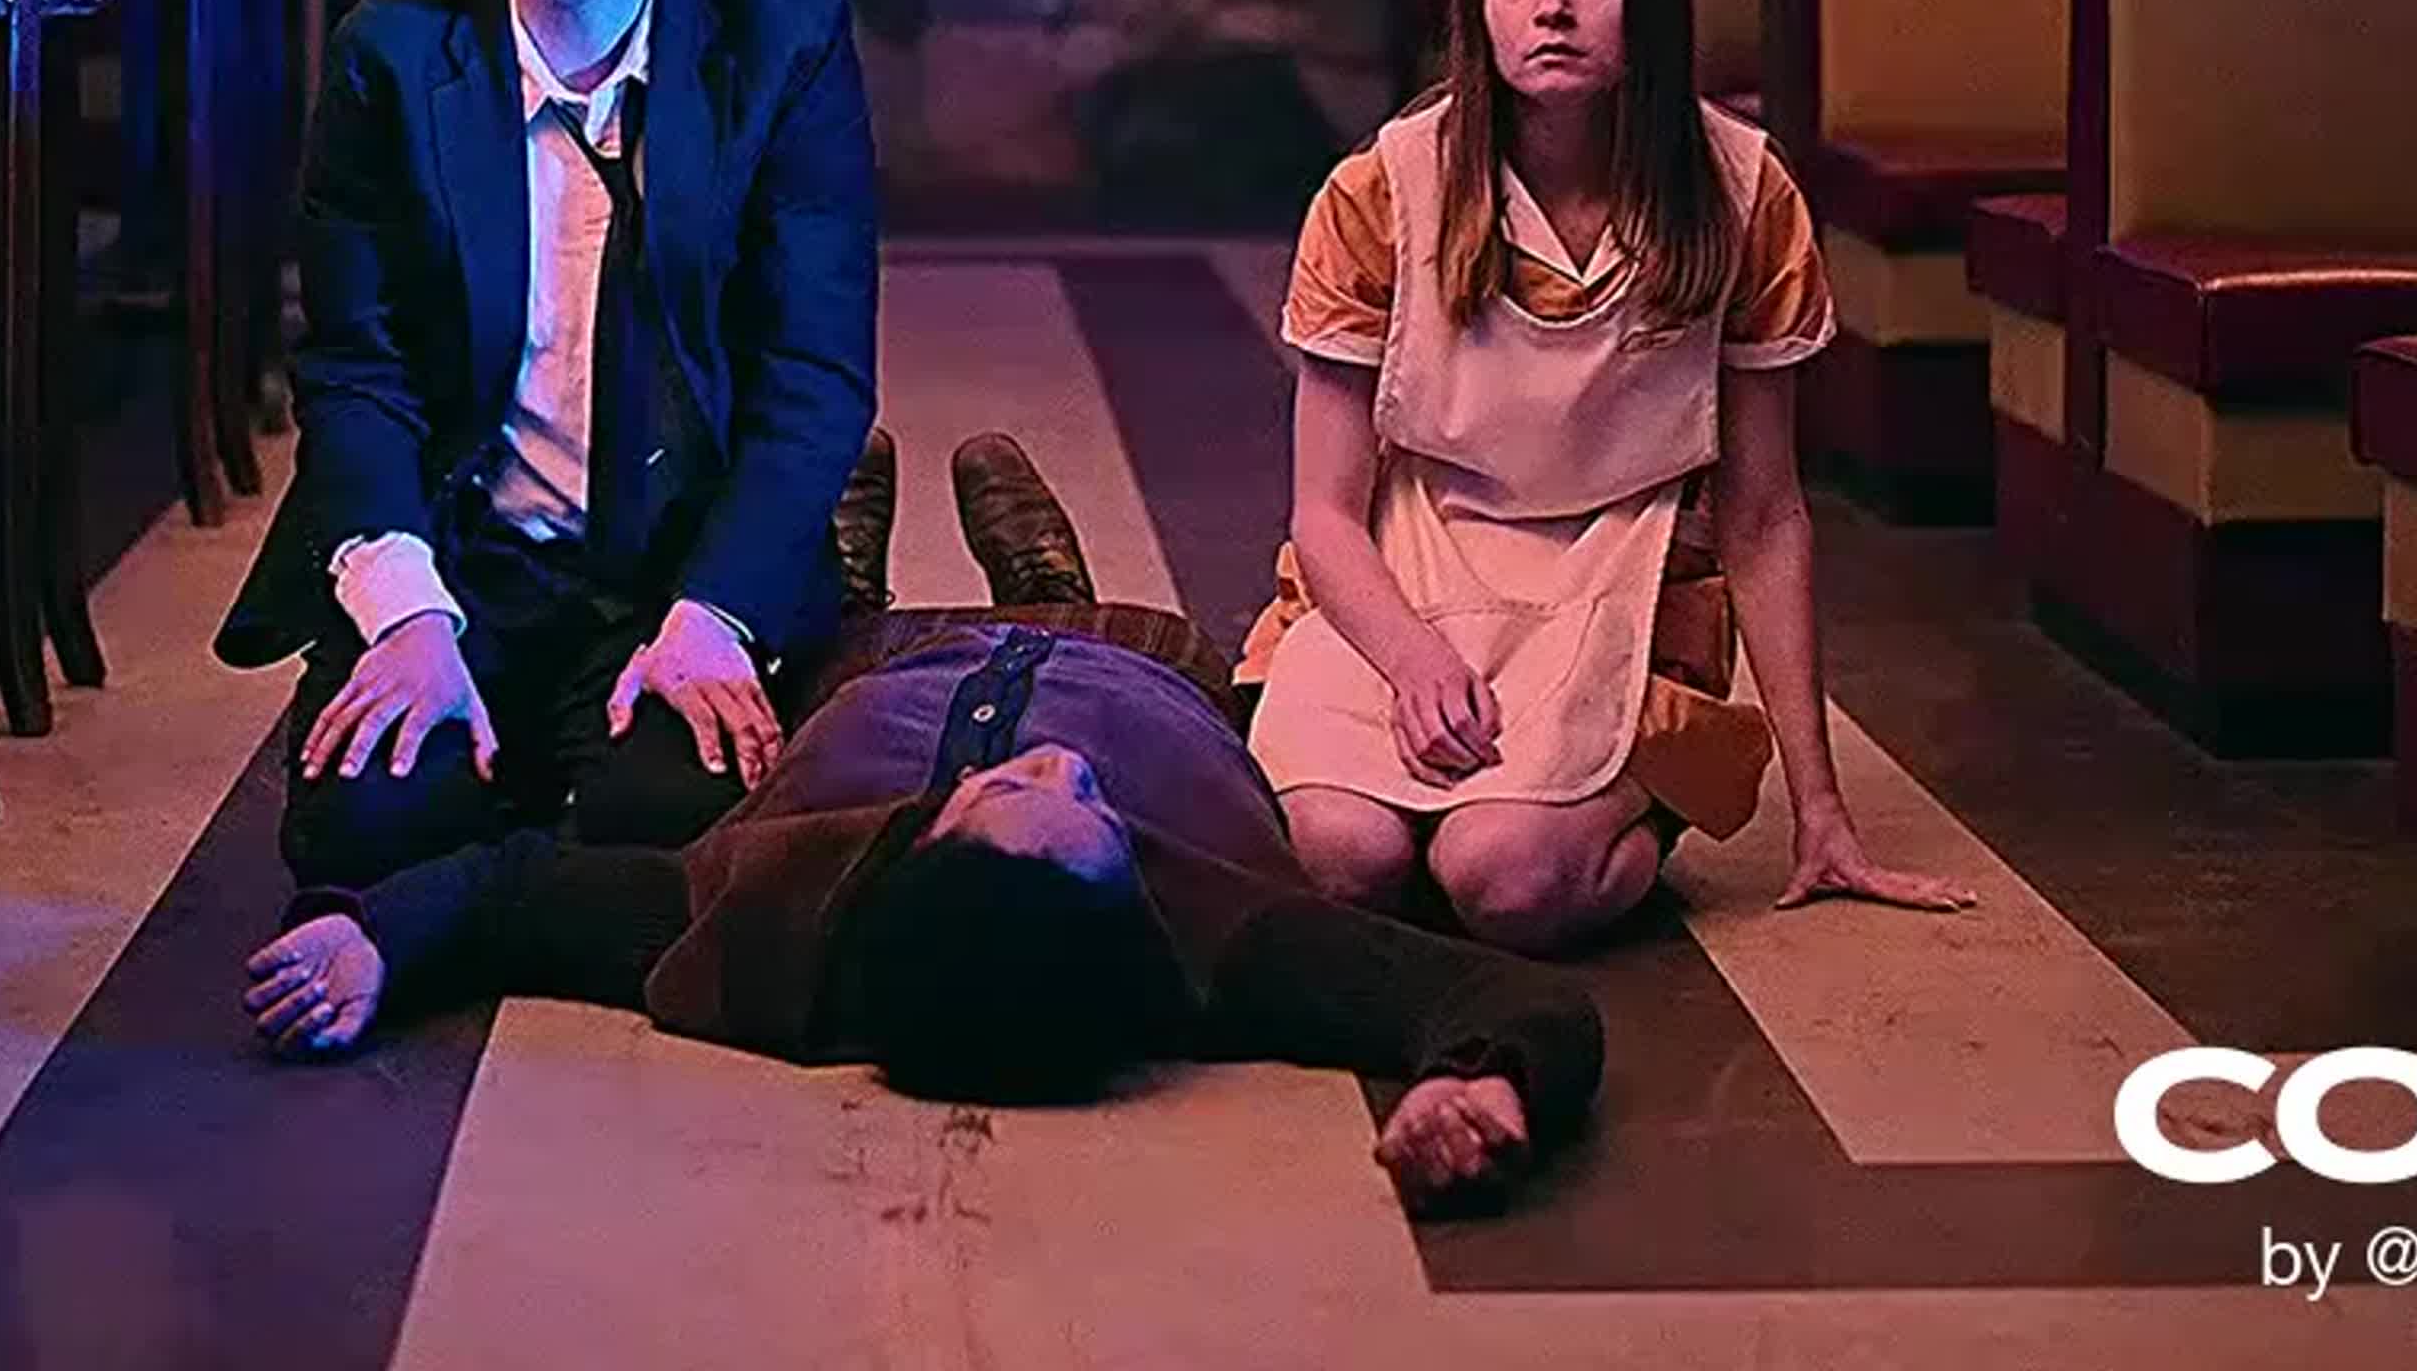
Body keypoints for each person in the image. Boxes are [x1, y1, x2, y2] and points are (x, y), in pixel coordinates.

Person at [243, 433, 1606, 1217]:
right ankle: (1046, 580)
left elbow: (513, 891)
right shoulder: (1230, 948)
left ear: (919, 851)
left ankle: (849, 579)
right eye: (1096, 809)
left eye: (1013, 796)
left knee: (803, 650)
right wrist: (1487, 1082)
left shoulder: (754, 919)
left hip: (878, 669)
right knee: (1098, 623)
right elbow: (1497, 996)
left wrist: (371, 937)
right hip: (1131, 662)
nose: (1060, 769)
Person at [215, 0, 881, 891]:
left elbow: (815, 372)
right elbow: (355, 369)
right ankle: (499, 797)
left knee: (674, 829)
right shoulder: (391, 56)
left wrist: (716, 614)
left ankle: (540, 815)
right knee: (363, 832)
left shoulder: (784, 41)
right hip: (468, 550)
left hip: (674, 564)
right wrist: (408, 617)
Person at [1239, 0, 1974, 951]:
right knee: (1341, 858)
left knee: (1505, 879)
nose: (1553, 6)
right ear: (1476, 8)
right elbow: (1326, 512)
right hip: (1414, 556)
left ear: (1653, 0)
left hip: (1623, 563)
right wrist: (1413, 659)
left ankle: (1620, 806)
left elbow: (1764, 517)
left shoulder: (1742, 191)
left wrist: (1820, 809)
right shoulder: (1381, 191)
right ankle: (1460, 813)